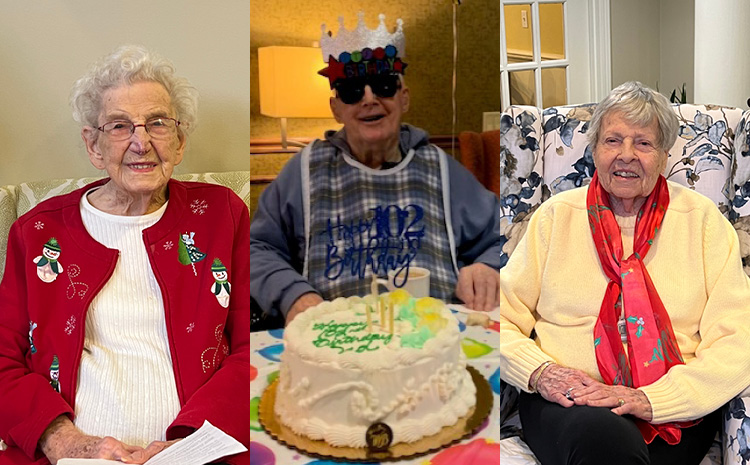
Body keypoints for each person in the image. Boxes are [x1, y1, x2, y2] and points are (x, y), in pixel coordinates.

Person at [0, 45, 249, 465]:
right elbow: (3, 358)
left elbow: (251, 345)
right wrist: (65, 441)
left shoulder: (222, 216)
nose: (141, 142)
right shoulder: (39, 231)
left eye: (158, 123)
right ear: (93, 145)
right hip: (74, 457)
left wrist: (194, 441)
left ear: (180, 139)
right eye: (119, 126)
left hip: (199, 452)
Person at [499, 81, 750, 465]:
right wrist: (541, 372)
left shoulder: (702, 222)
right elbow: (496, 318)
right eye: (613, 140)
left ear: (665, 155)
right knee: (604, 441)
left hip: (673, 407)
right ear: (595, 150)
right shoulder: (556, 217)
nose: (626, 155)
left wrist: (652, 399)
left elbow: (737, 339)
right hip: (571, 401)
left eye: (644, 144)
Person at [250, 12, 501, 328]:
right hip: (333, 341)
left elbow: (504, 234)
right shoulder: (303, 171)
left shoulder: (442, 168)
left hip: (435, 338)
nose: (369, 99)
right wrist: (293, 295)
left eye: (383, 85)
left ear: (404, 98)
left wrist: (488, 266)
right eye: (352, 90)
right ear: (336, 107)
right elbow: (256, 248)